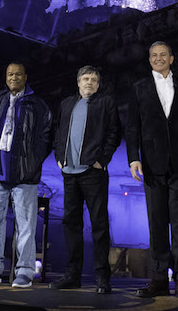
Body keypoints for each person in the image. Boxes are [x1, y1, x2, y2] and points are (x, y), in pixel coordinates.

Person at [125, 41, 178, 299]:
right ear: (149, 60)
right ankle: (157, 279)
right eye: (154, 55)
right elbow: (132, 126)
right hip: (152, 165)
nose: (158, 58)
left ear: (172, 58)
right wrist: (134, 158)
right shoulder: (138, 88)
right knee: (156, 224)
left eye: (163, 54)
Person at [0, 62, 52, 288]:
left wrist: (33, 162)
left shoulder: (37, 104)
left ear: (25, 77)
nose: (14, 77)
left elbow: (46, 136)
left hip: (24, 176)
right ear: (6, 77)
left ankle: (25, 272)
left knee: (26, 225)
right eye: (10, 74)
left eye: (18, 74)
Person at [49, 66, 121, 294]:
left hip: (93, 172)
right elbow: (58, 131)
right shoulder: (67, 103)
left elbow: (114, 132)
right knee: (71, 225)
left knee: (99, 225)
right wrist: (60, 157)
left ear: (98, 84)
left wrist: (101, 160)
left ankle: (102, 277)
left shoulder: (106, 102)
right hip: (69, 173)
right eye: (85, 79)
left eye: (93, 79)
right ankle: (72, 275)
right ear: (78, 82)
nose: (89, 82)